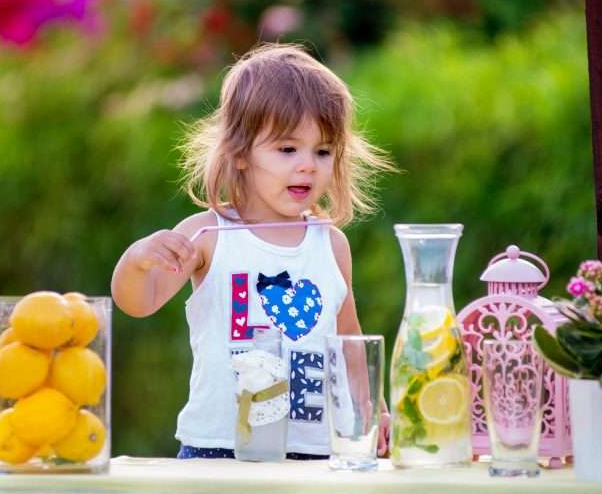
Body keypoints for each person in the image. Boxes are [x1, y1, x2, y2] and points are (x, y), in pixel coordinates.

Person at [111, 43, 396, 459]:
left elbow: (350, 342)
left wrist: (374, 412)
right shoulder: (209, 235)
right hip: (218, 450)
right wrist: (137, 260)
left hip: (315, 454)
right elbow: (139, 302)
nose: (307, 165)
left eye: (323, 150)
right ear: (240, 153)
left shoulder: (330, 243)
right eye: (287, 149)